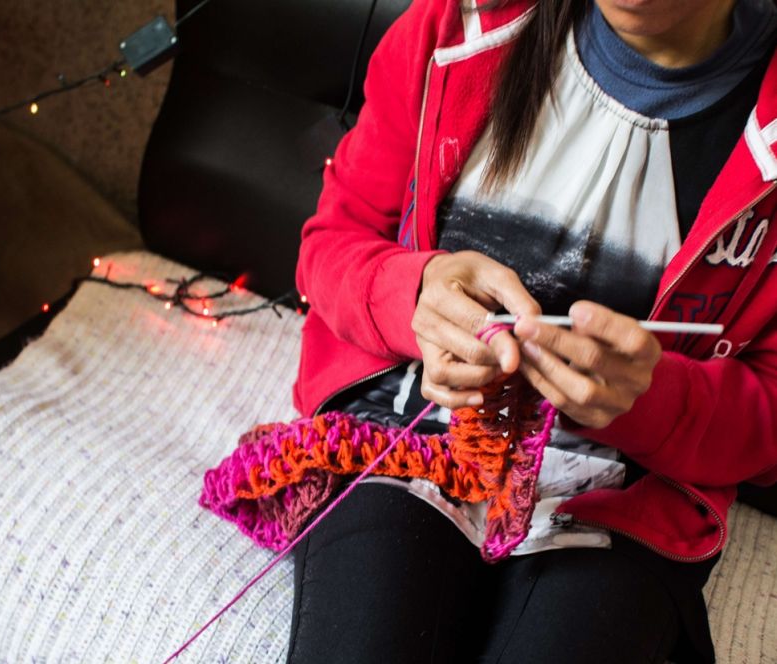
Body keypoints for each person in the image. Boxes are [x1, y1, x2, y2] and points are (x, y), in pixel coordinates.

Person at [286, 0, 777, 661]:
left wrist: (654, 400)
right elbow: (329, 247)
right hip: (408, 446)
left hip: (626, 501)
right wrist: (414, 293)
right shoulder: (448, 29)